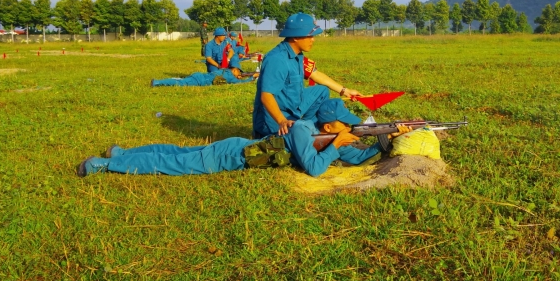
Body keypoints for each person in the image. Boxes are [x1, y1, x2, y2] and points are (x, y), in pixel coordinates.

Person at [76, 99, 411, 178]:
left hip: (233, 149)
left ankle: (122, 151)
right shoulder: (300, 130)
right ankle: (105, 164)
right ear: (327, 127)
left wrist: (388, 140)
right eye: (344, 126)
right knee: (171, 163)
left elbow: (354, 155)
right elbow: (313, 167)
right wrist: (339, 144)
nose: (350, 131)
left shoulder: (324, 135)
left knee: (178, 151)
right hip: (228, 157)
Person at [252, 12, 366, 138]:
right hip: (274, 117)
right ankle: (306, 132)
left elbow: (315, 74)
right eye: (309, 36)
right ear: (295, 37)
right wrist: (281, 120)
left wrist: (345, 91)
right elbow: (266, 96)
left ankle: (310, 127)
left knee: (321, 91)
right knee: (297, 143)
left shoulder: (297, 54)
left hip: (292, 105)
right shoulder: (277, 60)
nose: (313, 40)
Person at [151, 67, 258, 87]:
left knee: (180, 80)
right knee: (180, 83)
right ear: (234, 70)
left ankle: (159, 82)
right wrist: (252, 77)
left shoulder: (225, 71)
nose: (239, 74)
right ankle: (157, 82)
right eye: (238, 72)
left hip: (199, 76)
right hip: (199, 81)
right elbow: (239, 82)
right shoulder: (230, 76)